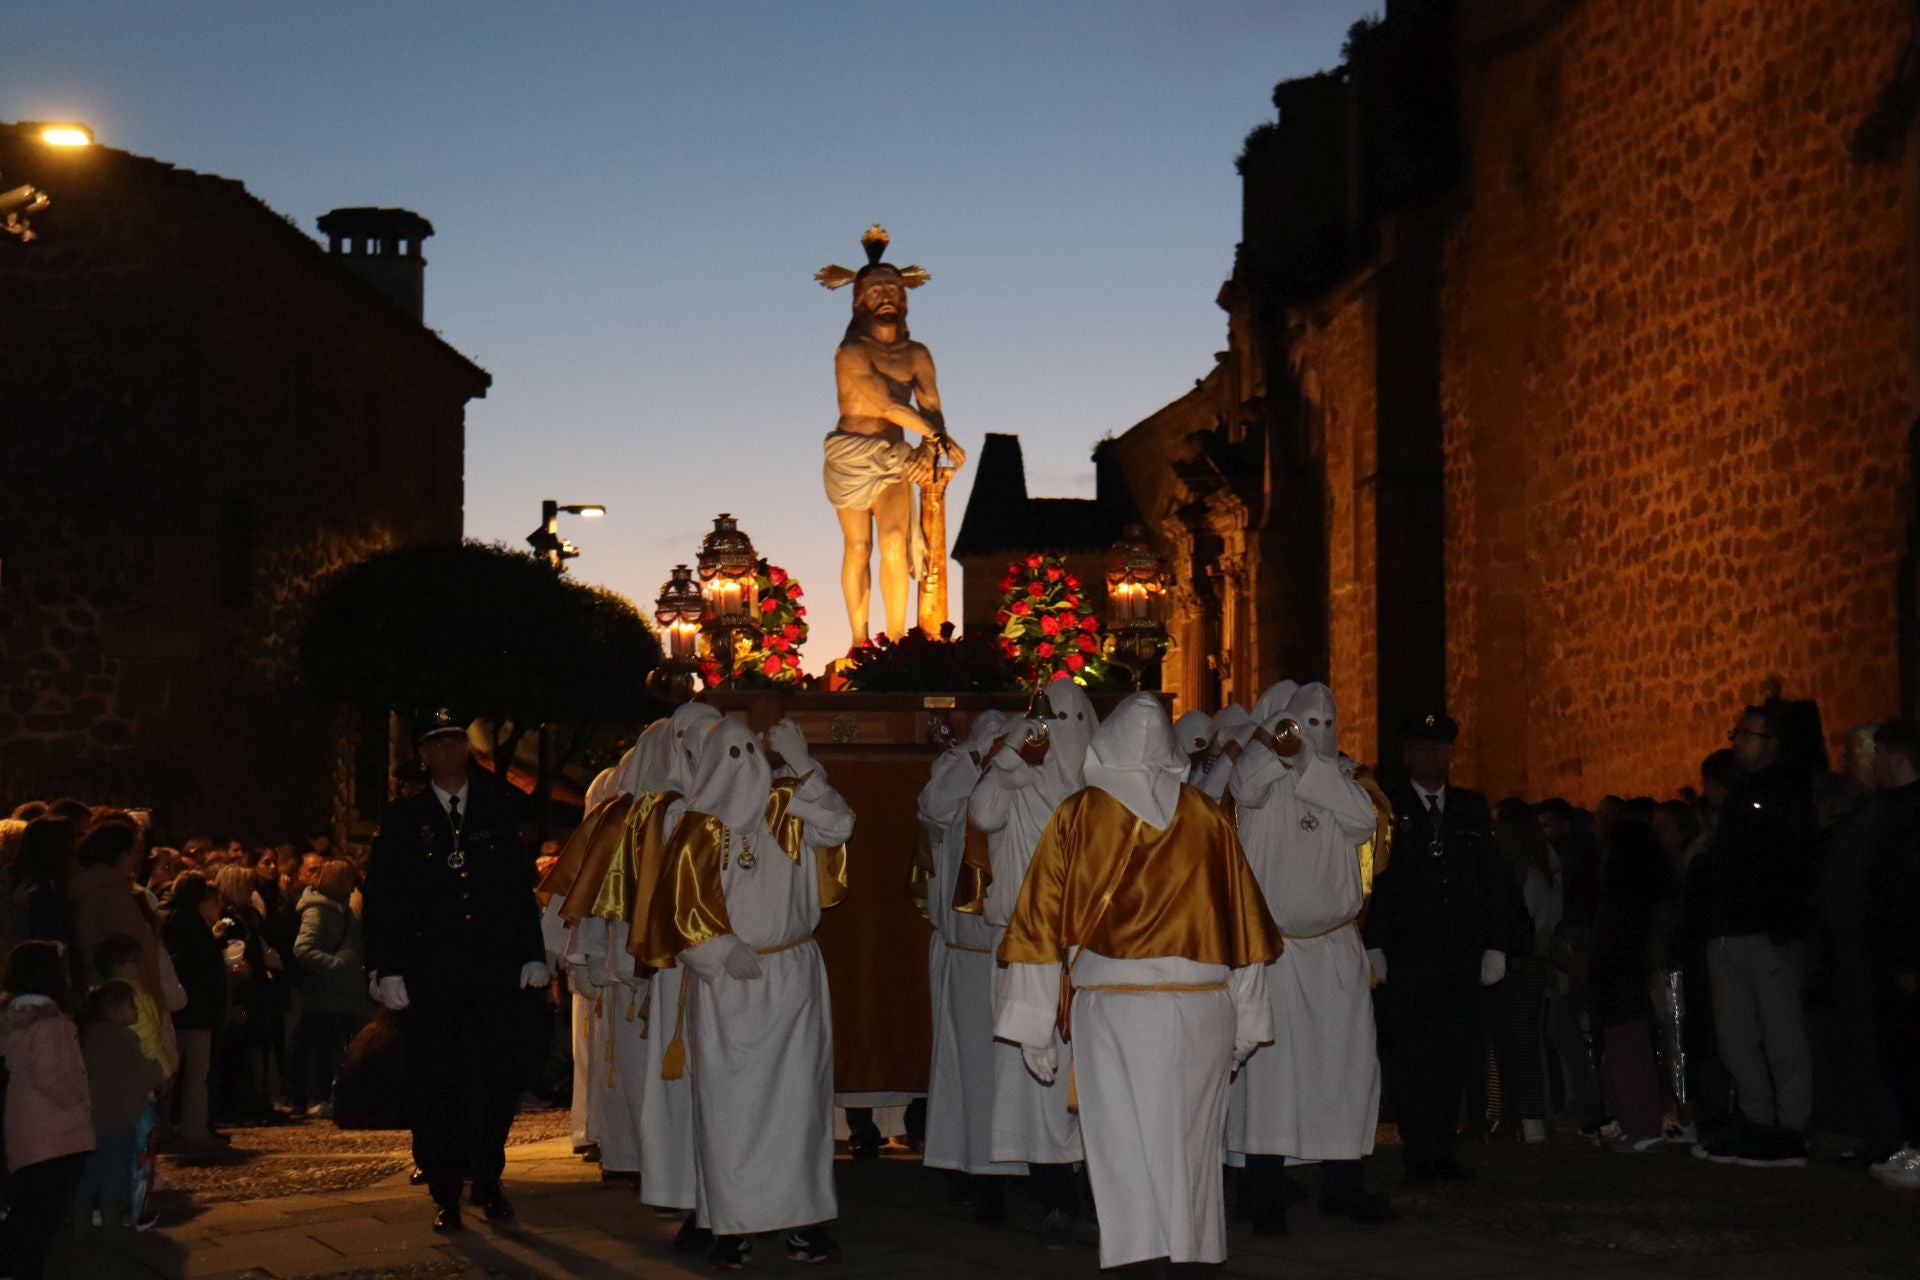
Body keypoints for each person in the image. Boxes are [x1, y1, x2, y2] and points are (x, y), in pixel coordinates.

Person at [996, 692, 1281, 1274]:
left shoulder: (1077, 816)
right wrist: (1249, 1023)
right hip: (1203, 1009)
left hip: (1116, 1012)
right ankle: (1192, 1251)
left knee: (1121, 1143)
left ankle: (1138, 1255)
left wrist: (1033, 1027)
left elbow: (1039, 925)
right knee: (1194, 1143)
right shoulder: (1206, 818)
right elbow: (1243, 931)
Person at [636, 716, 854, 1269]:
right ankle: (731, 1227)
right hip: (730, 987)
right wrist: (714, 950)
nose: (744, 766)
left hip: (794, 979)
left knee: (799, 1107)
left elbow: (839, 826)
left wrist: (804, 765)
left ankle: (804, 1222)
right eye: (729, 756)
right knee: (729, 1110)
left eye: (750, 755)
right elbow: (676, 908)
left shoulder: (788, 808)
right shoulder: (694, 828)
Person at [362, 709, 549, 1232]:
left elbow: (517, 889)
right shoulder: (404, 819)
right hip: (430, 974)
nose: (445, 754)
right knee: (435, 1082)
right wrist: (385, 967)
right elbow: (384, 899)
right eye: (434, 746)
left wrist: (532, 953)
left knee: (494, 1080)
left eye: (453, 743)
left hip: (491, 971)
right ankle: (445, 1187)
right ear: (422, 756)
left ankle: (488, 1179)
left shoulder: (497, 808)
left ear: (465, 750)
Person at [1225, 682, 1393, 1231]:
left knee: (1342, 1069)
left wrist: (1309, 765)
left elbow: (1363, 823)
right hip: (1274, 951)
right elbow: (1242, 787)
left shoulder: (1346, 784)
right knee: (1272, 1075)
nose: (1313, 736)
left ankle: (1342, 1184)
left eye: (1325, 726)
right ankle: (1264, 1190)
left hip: (1333, 951)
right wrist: (1282, 752)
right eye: (1304, 725)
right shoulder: (1261, 775)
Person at [1363, 713, 1530, 1184]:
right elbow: (1375, 881)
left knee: (1455, 1053)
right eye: (1424, 749)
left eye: (1440, 750)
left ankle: (1443, 1147)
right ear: (1407, 755)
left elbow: (1491, 881)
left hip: (1458, 954)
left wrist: (1496, 944)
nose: (1433, 758)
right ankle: (1419, 1149)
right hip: (1407, 956)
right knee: (1412, 1056)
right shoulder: (1389, 807)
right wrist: (1374, 943)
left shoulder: (1469, 808)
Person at [965, 676, 1096, 1247]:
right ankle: (1053, 1200)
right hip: (1027, 948)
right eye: (1053, 721)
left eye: (1075, 722)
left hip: (1089, 952)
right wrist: (1011, 755)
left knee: (1089, 1078)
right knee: (1033, 1084)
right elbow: (983, 814)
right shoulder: (1017, 774)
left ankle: (1092, 1194)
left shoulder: (1101, 790)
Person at [817, 225, 966, 646]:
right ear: (860, 300)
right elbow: (888, 405)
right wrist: (936, 437)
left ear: (903, 299)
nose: (886, 297)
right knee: (859, 546)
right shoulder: (851, 352)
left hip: (897, 453)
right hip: (852, 453)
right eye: (876, 290)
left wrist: (926, 445)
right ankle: (860, 640)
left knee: (897, 541)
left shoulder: (918, 354)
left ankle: (900, 641)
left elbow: (931, 407)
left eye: (894, 290)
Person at [1693, 701, 1820, 1168]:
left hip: (1766, 932)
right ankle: (1757, 1119)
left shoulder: (1785, 791)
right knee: (1736, 1037)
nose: (1738, 743)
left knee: (1781, 1033)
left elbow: (1792, 861)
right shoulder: (1744, 793)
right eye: (1737, 734)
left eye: (1747, 735)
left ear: (1773, 743)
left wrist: (1781, 922)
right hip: (1728, 933)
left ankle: (1789, 1128)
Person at [916, 709, 1025, 1219]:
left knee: (1007, 1069)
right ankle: (968, 1166)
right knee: (967, 1069)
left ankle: (1009, 1170)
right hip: (964, 954)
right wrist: (980, 755)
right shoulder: (955, 791)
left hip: (1008, 951)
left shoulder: (1022, 785)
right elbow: (932, 805)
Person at [0, 941, 93, 1279]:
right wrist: (77, 1100)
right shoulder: (49, 1021)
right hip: (55, 1130)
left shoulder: (14, 1017)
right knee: (41, 1217)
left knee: (28, 1208)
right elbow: (50, 1075)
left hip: (25, 1126)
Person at [1589, 819, 1676, 1153]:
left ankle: (1643, 1126)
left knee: (1630, 1054)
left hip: (1622, 982)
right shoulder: (1638, 892)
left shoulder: (1626, 897)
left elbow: (1622, 941)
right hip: (1624, 981)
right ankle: (1636, 1124)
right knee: (1625, 1052)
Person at [1862, 721, 1920, 1186]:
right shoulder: (1886, 810)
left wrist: (1907, 957)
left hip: (1906, 952)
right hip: (1886, 950)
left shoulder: (1909, 813)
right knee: (1896, 1053)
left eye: (1876, 752)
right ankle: (1907, 1142)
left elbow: (1908, 891)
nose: (1871, 762)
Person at [75, 979, 165, 1228]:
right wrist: (158, 1072)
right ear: (116, 1010)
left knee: (90, 1174)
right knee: (117, 1172)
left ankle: (80, 1222)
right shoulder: (125, 1039)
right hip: (118, 1118)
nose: (136, 1011)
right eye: (131, 1006)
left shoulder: (87, 1037)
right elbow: (143, 1073)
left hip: (89, 1120)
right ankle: (113, 1222)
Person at [290, 860, 367, 1119]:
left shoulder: (343, 910)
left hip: (341, 995)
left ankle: (322, 1095)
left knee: (331, 1048)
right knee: (321, 1048)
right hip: (326, 995)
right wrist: (335, 965)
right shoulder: (318, 911)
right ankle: (315, 1096)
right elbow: (303, 949)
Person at [160, 873, 226, 1151]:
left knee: (171, 1074)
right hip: (196, 1007)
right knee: (196, 1074)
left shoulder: (169, 920)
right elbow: (204, 965)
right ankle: (193, 1129)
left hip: (180, 1006)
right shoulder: (192, 924)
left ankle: (164, 1128)